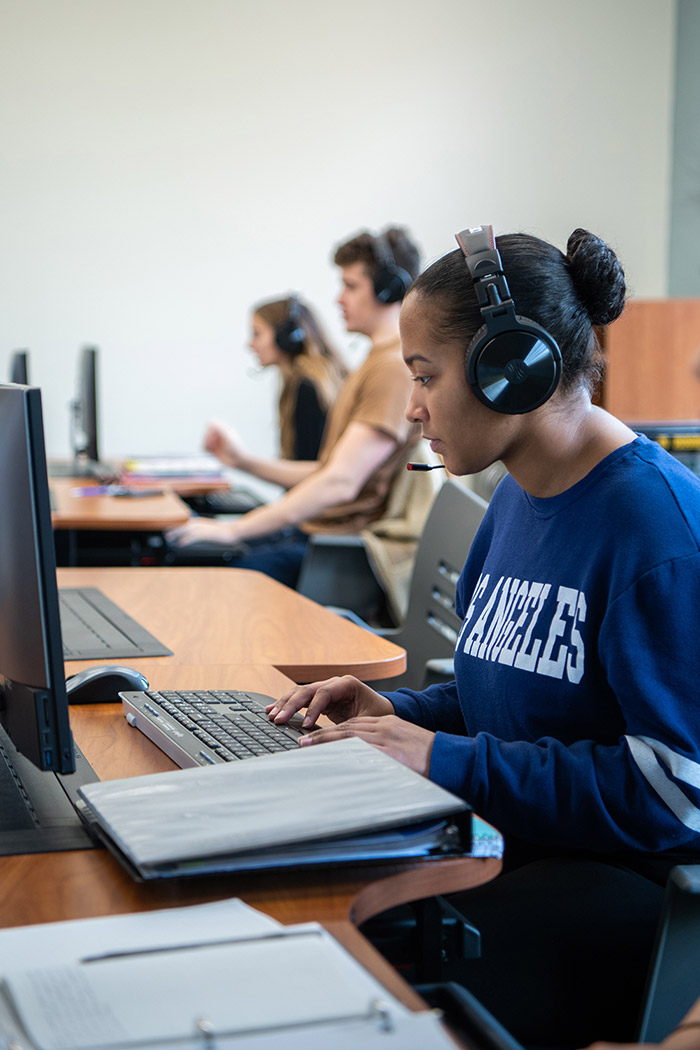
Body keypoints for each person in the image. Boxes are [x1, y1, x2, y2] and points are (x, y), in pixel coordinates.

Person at [266, 225, 700, 1047]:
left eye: (426, 376)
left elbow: (675, 789)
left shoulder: (657, 533)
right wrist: (405, 715)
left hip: (624, 889)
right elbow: (509, 689)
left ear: (514, 368)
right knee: (288, 917)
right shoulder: (517, 497)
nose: (414, 407)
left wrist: (443, 759)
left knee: (361, 992)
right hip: (516, 845)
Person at [168, 227, 422, 589]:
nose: (339, 299)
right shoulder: (372, 363)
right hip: (315, 533)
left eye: (350, 286)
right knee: (191, 556)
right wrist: (242, 461)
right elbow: (326, 471)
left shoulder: (391, 370)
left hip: (334, 550)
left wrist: (235, 530)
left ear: (388, 290)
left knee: (212, 581)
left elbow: (339, 483)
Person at [240, 295, 347, 461]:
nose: (250, 344)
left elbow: (308, 465)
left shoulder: (307, 387)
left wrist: (240, 460)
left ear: (285, 336)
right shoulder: (307, 380)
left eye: (257, 334)